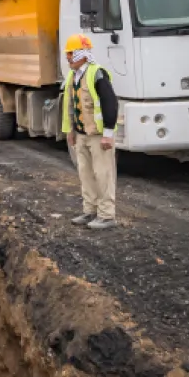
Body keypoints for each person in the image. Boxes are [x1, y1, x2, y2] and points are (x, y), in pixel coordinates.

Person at [61, 34, 120, 230]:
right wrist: (70, 130)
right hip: (81, 135)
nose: (68, 57)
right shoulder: (73, 76)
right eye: (68, 54)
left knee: (103, 174)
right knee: (85, 174)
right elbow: (70, 105)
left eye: (71, 53)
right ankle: (90, 211)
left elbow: (110, 104)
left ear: (82, 54)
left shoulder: (97, 74)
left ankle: (106, 215)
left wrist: (108, 134)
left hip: (98, 136)